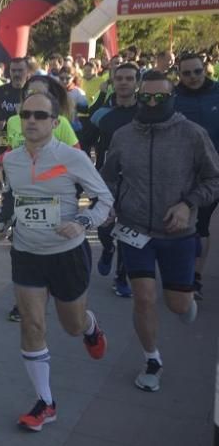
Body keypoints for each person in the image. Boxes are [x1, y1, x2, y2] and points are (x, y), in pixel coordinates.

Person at [0, 91, 110, 432]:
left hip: (66, 253)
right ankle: (45, 402)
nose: (31, 120)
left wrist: (84, 222)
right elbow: (13, 195)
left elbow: (104, 198)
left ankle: (89, 326)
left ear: (55, 123)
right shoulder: (11, 159)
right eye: (26, 114)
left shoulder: (71, 157)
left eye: (40, 116)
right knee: (32, 324)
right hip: (27, 252)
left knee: (70, 325)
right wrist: (3, 221)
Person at [101, 71, 219, 392]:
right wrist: (108, 204)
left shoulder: (192, 134)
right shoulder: (123, 136)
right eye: (147, 98)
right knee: (143, 297)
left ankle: (185, 302)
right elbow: (109, 178)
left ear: (172, 98)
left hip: (178, 234)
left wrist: (187, 204)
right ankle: (152, 359)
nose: (153, 103)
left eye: (160, 98)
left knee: (178, 306)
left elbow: (213, 178)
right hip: (135, 229)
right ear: (139, 98)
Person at [90, 62, 140, 298]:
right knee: (104, 227)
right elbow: (84, 141)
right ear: (113, 81)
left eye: (129, 78)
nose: (124, 82)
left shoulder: (145, 113)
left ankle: (121, 278)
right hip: (105, 180)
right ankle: (108, 249)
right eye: (119, 78)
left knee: (129, 232)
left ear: (137, 83)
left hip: (135, 181)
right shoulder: (102, 112)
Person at [174, 51, 219, 300]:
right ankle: (195, 278)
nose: (192, 77)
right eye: (187, 73)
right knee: (199, 225)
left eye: (197, 71)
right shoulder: (174, 98)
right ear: (179, 74)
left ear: (206, 69)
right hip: (194, 174)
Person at [0, 57, 32, 197]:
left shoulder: (33, 90)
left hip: (29, 137)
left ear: (27, 71)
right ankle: (4, 189)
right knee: (4, 167)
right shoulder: (0, 91)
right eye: (13, 70)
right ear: (9, 72)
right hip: (5, 136)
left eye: (20, 70)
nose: (16, 74)